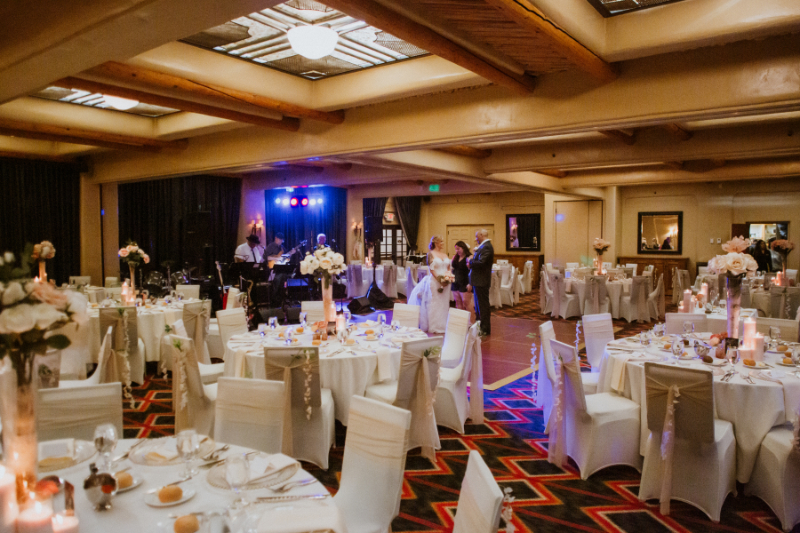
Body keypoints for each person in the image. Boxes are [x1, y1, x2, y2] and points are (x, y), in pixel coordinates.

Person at [407, 235, 452, 334]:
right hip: (435, 281)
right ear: (436, 243)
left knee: (444, 304)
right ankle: (434, 325)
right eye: (441, 242)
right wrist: (440, 279)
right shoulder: (431, 254)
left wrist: (448, 276)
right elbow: (431, 269)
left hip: (446, 283)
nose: (442, 244)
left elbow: (448, 267)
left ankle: (443, 324)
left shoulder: (445, 255)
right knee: (435, 303)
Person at [468, 229, 494, 337]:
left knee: (483, 305)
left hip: (482, 281)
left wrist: (470, 261)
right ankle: (479, 326)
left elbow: (482, 262)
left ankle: (485, 328)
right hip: (479, 281)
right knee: (478, 305)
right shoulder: (483, 247)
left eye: (476, 236)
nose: (475, 238)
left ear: (482, 235)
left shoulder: (487, 247)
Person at [451, 241, 475, 324]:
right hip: (455, 282)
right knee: (458, 302)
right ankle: (461, 322)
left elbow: (473, 271)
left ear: (464, 248)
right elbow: (453, 269)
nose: (457, 250)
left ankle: (471, 322)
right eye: (456, 249)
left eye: (459, 248)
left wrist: (471, 283)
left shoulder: (469, 257)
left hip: (465, 282)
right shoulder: (455, 257)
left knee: (466, 302)